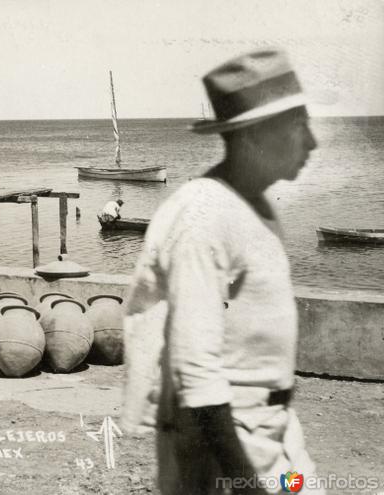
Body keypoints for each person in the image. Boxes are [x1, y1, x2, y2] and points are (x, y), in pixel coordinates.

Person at [121, 49, 321, 494]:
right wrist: (245, 482)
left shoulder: (257, 205)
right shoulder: (204, 216)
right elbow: (196, 370)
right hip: (228, 447)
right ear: (254, 137)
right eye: (298, 127)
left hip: (274, 433)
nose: (313, 143)